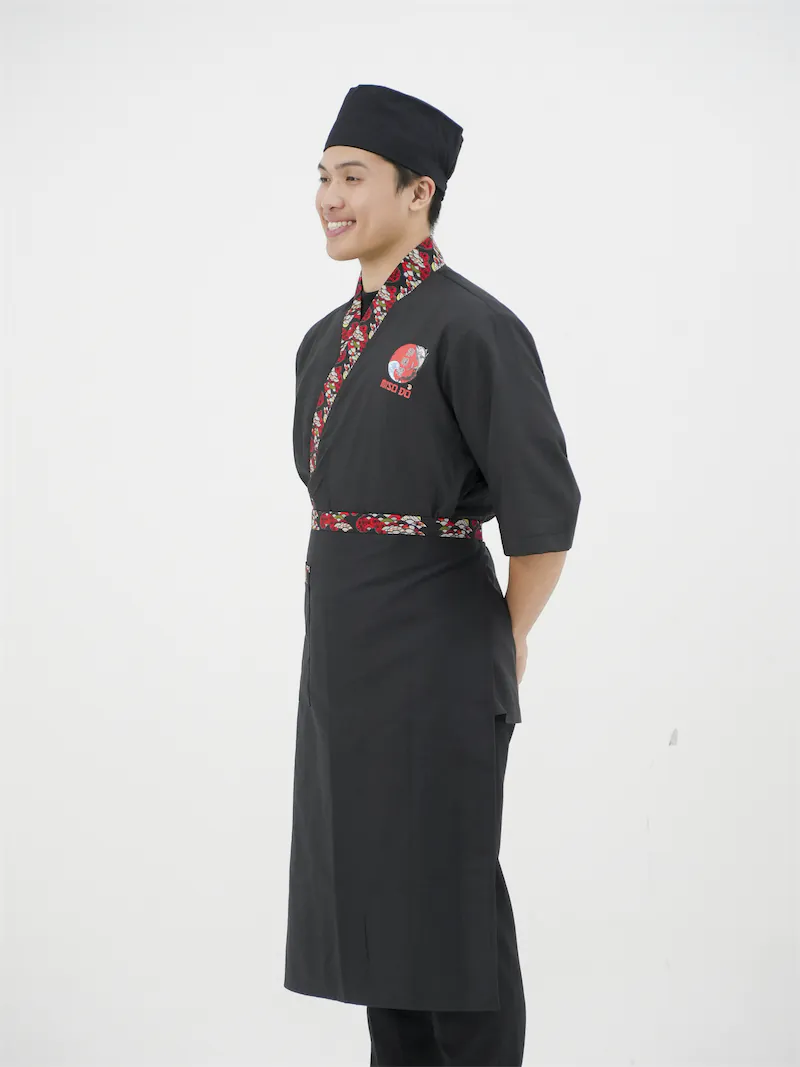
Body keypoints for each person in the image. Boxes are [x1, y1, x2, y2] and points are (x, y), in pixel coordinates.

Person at [284, 83, 581, 1067]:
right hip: (344, 661)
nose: (329, 197)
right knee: (377, 900)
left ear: (420, 192)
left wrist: (508, 635)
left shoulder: (472, 327)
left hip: (438, 653)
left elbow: (543, 517)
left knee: (446, 899)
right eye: (322, 176)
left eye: (353, 176)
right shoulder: (322, 343)